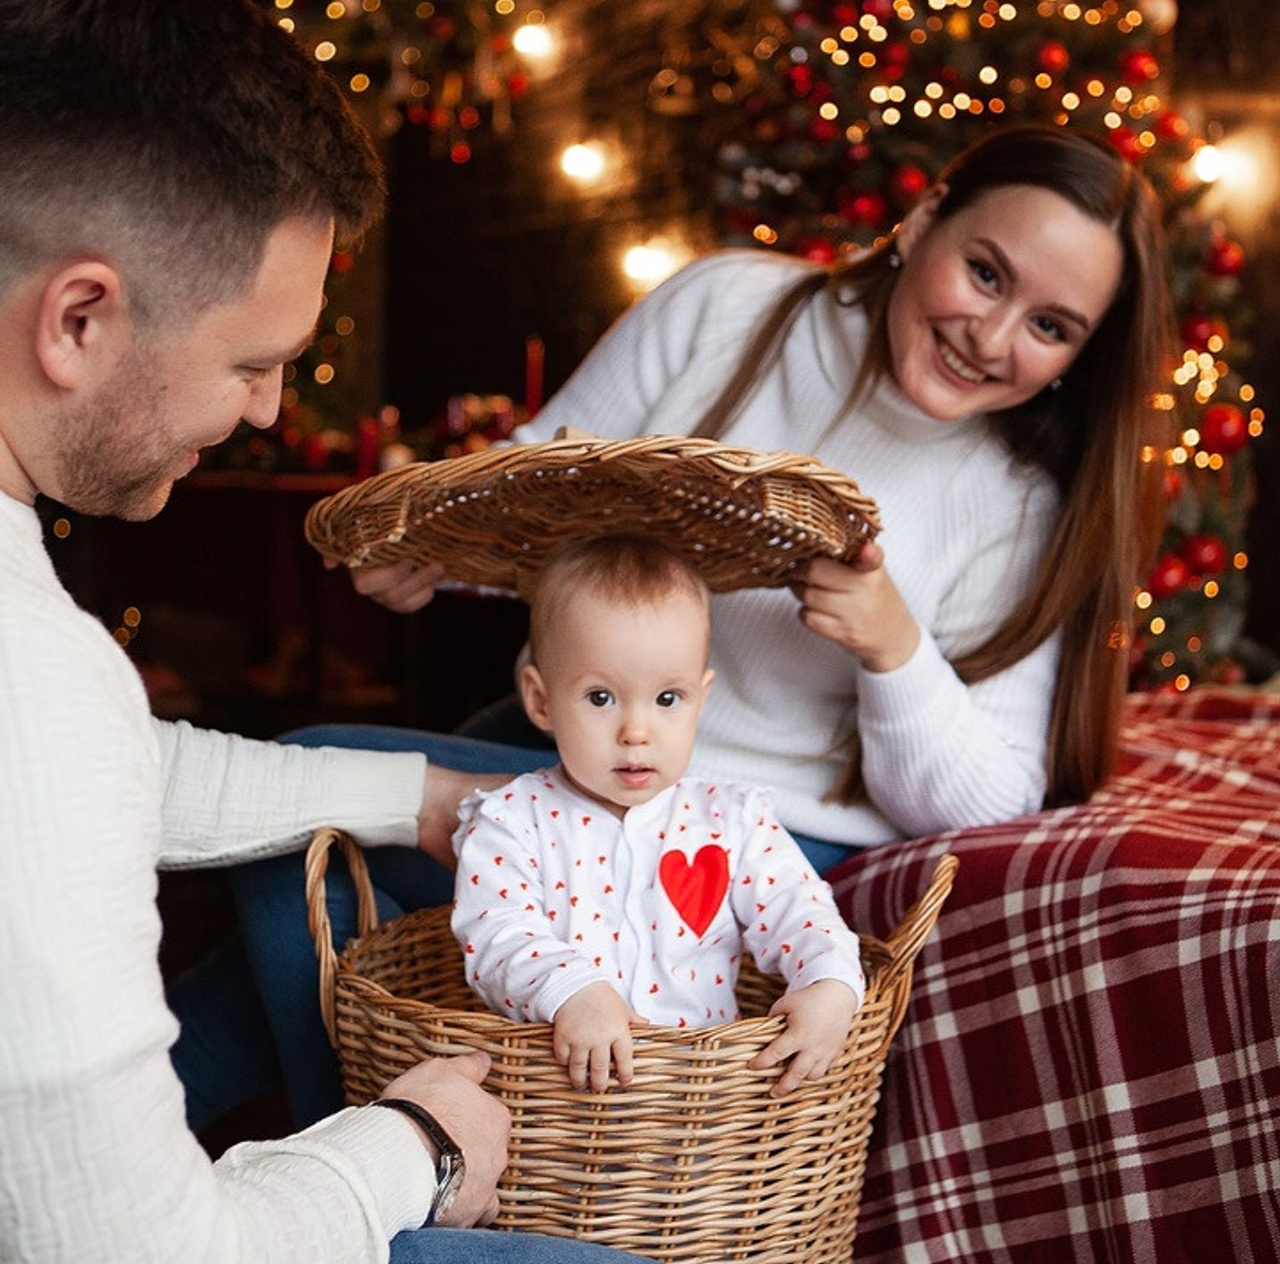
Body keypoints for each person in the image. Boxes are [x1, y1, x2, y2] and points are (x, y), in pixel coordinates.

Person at [200, 122, 1174, 1133]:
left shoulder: (1016, 501)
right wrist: (447, 545)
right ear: (920, 218)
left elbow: (989, 801)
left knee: (309, 792)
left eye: (1049, 326)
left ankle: (337, 1181)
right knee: (295, 829)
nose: (991, 333)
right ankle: (287, 1178)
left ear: (1076, 356)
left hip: (758, 822)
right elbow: (550, 484)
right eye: (982, 271)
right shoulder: (730, 308)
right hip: (569, 734)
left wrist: (894, 650)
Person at [0, 0, 652, 1263]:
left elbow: (104, 771)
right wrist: (415, 1140)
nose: (266, 411)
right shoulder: (33, 680)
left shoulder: (48, 702)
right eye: (253, 361)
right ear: (78, 320)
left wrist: (419, 798)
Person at [451, 534, 865, 1097]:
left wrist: (830, 980)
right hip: (557, 1104)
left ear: (702, 696)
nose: (636, 732)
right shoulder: (512, 821)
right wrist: (573, 988)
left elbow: (800, 909)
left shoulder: (732, 820)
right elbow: (496, 933)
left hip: (704, 1103)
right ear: (541, 701)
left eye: (668, 699)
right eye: (601, 698)